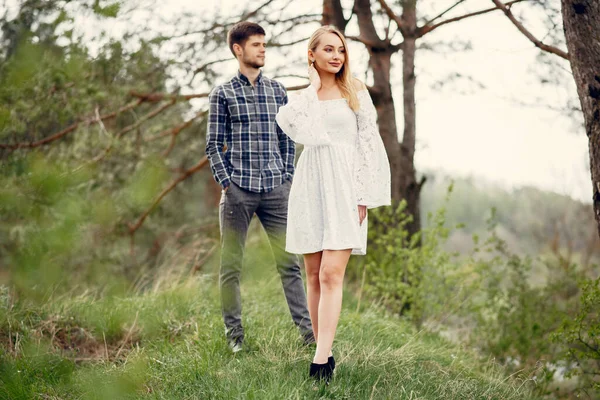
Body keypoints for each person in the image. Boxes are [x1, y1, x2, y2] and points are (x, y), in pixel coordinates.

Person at [275, 25, 391, 382]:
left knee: (330, 273)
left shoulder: (354, 90)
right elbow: (293, 127)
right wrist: (311, 86)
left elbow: (369, 144)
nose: (336, 55)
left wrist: (363, 196)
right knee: (312, 273)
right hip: (311, 184)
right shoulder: (305, 97)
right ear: (312, 55)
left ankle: (322, 360)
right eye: (328, 50)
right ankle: (320, 346)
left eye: (340, 49)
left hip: (345, 186)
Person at [206, 21, 314, 353]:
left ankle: (309, 335)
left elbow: (287, 139)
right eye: (256, 44)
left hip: (275, 190)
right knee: (231, 266)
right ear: (238, 50)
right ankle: (234, 336)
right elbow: (213, 145)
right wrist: (227, 185)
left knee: (290, 264)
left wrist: (286, 178)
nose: (263, 49)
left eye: (264, 44)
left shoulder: (278, 91)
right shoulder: (222, 94)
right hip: (238, 191)